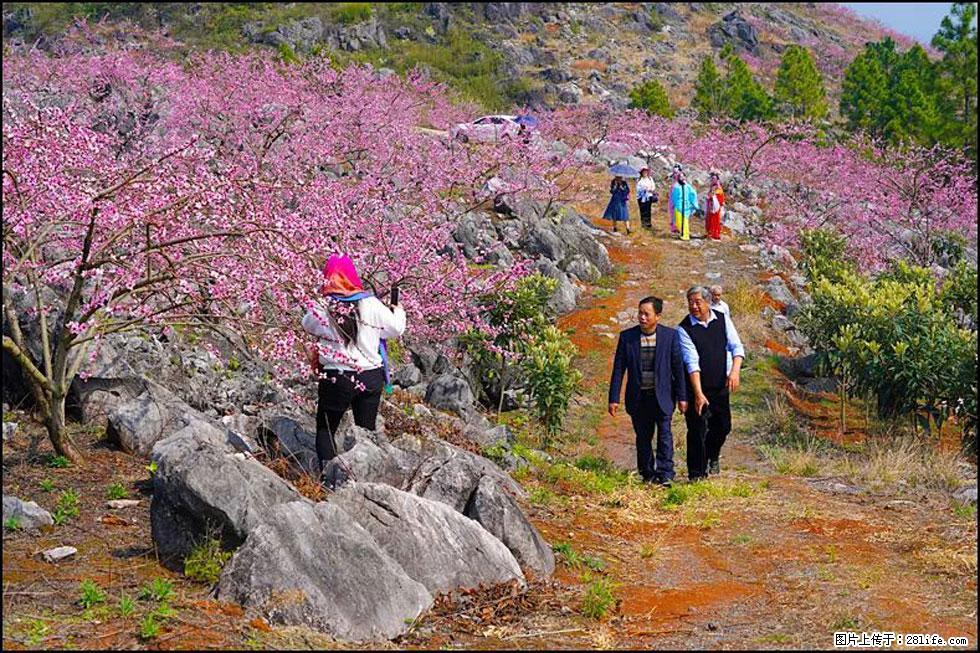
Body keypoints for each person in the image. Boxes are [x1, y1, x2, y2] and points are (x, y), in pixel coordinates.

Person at [302, 254, 406, 474]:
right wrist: (396, 308)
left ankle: (328, 477)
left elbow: (308, 325)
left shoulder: (322, 305)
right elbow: (394, 329)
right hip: (370, 375)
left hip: (336, 377)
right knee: (365, 431)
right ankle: (362, 477)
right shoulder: (370, 303)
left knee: (326, 428)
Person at [608, 296, 688, 487]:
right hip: (638, 397)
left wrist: (683, 397)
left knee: (665, 436)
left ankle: (666, 474)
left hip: (663, 396)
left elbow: (678, 368)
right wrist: (613, 398)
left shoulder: (670, 337)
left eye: (646, 314)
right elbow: (619, 369)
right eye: (640, 313)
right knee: (643, 437)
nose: (642, 317)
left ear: (657, 316)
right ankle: (647, 474)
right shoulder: (628, 338)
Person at [677, 286, 745, 481]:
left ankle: (711, 455)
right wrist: (698, 394)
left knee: (723, 426)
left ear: (707, 302)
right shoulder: (684, 329)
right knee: (697, 428)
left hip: (720, 385)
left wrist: (735, 371)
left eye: (698, 302)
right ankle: (696, 474)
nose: (694, 306)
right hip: (696, 387)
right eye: (690, 302)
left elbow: (736, 346)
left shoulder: (722, 319)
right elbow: (692, 362)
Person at [669, 170, 698, 241]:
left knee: (685, 221)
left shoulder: (688, 186)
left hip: (686, 206)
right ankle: (684, 234)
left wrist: (694, 204)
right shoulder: (676, 187)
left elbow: (693, 194)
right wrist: (673, 205)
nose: (682, 178)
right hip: (678, 206)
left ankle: (685, 235)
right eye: (680, 177)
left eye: (683, 176)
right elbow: (673, 197)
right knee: (679, 221)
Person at [705, 171, 725, 240]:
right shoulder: (712, 187)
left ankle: (715, 234)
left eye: (714, 179)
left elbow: (720, 197)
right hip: (710, 205)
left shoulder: (719, 188)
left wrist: (712, 197)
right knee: (709, 219)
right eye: (712, 178)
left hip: (716, 206)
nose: (713, 180)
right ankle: (709, 233)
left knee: (715, 220)